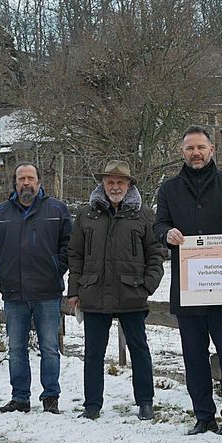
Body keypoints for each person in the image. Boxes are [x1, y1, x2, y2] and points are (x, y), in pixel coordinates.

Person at [154, 126, 222, 435]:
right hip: (188, 288)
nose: (196, 153)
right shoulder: (169, 189)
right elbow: (158, 226)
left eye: (201, 147)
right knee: (193, 356)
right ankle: (203, 415)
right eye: (190, 148)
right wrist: (166, 233)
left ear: (212, 150)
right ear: (182, 152)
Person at [67, 160, 166, 421]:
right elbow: (75, 254)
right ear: (103, 184)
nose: (114, 187)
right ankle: (92, 405)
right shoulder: (86, 215)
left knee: (139, 349)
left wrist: (147, 285)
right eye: (110, 182)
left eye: (120, 182)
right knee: (93, 352)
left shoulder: (143, 215)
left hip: (131, 292)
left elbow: (156, 254)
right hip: (94, 291)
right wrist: (74, 289)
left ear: (129, 185)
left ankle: (145, 402)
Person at [0, 162, 72, 414]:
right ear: (15, 183)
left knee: (50, 348)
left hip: (48, 292)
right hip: (14, 293)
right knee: (17, 349)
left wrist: (57, 266)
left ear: (39, 182)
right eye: (21, 178)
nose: (26, 183)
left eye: (30, 178)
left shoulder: (57, 210)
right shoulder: (0, 213)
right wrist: (1, 268)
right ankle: (20, 397)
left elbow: (69, 244)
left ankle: (51, 397)